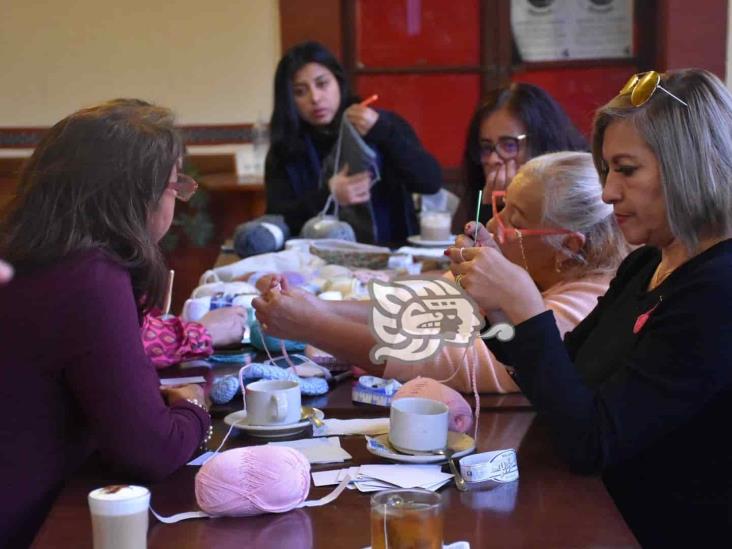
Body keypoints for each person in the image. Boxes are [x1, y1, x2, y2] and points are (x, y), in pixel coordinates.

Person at [447, 69, 732, 546]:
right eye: (606, 170)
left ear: (689, 165)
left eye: (627, 169)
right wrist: (495, 307)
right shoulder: (646, 263)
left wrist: (525, 304)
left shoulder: (717, 289)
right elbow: (564, 375)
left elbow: (592, 442)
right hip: (596, 512)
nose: (608, 193)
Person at [0, 100, 213, 547]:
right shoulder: (89, 275)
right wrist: (196, 409)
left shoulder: (27, 252)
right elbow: (149, 451)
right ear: (135, 195)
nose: (176, 199)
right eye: (175, 186)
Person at [253, 152, 628, 393]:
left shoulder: (589, 305)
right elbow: (423, 307)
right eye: (501, 208)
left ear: (571, 247)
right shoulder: (537, 271)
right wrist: (315, 307)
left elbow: (456, 364)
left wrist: (312, 326)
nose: (494, 227)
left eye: (515, 220)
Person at [264, 41, 442, 245]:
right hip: (313, 262)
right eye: (300, 92)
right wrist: (329, 197)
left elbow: (430, 182)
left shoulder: (378, 123)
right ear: (289, 99)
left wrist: (384, 132)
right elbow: (277, 219)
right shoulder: (285, 145)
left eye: (322, 84)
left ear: (338, 81)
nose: (315, 98)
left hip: (392, 256)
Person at [453, 83, 587, 232]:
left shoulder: (576, 196)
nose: (492, 160)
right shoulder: (477, 188)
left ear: (542, 143)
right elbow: (472, 250)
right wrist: (489, 208)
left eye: (509, 145)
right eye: (486, 147)